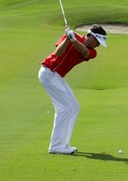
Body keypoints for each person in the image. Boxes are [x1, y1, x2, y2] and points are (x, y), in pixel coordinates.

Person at [38, 24, 107, 154]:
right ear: (92, 37)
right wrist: (68, 39)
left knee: (74, 107)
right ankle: (56, 146)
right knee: (65, 108)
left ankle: (64, 144)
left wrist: (74, 40)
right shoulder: (70, 36)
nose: (98, 46)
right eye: (98, 42)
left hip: (58, 77)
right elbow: (58, 53)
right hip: (48, 73)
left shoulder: (92, 52)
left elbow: (85, 52)